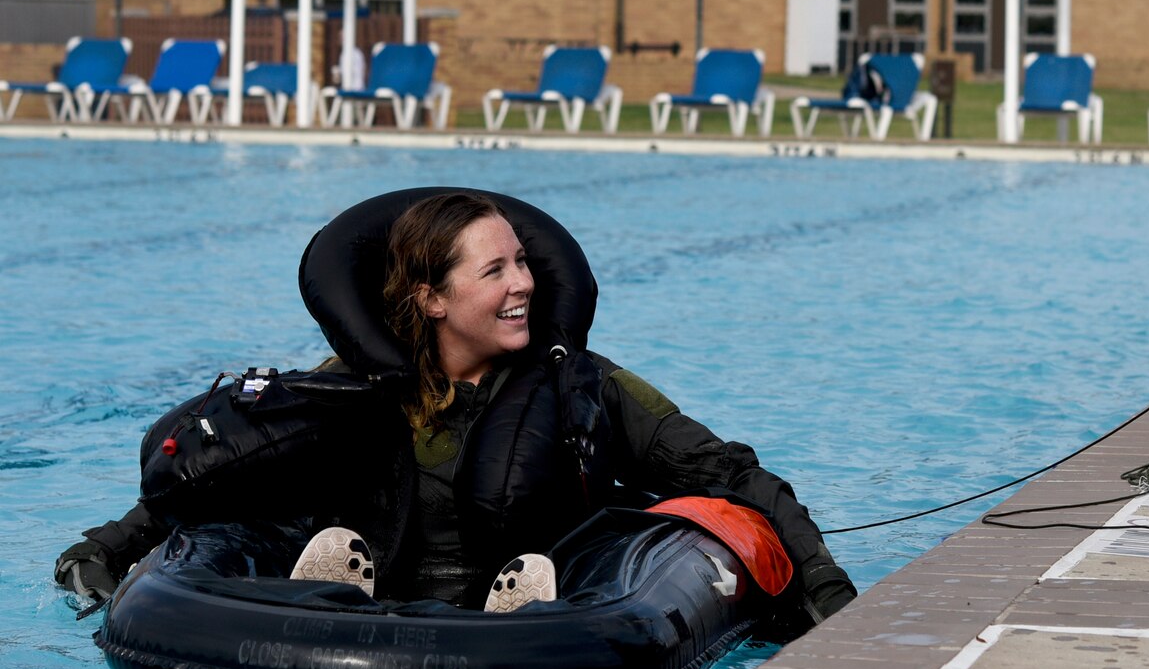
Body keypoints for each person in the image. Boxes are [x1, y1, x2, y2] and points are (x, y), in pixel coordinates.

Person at [56, 189, 857, 626]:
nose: (524, 284)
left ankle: (526, 610)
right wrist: (109, 543)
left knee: (580, 560)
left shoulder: (584, 385)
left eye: (522, 262)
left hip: (544, 622)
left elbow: (732, 474)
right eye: (495, 271)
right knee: (304, 528)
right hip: (375, 617)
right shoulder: (351, 385)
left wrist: (822, 585)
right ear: (431, 298)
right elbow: (230, 477)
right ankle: (331, 596)